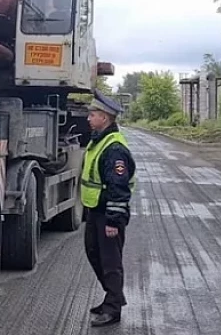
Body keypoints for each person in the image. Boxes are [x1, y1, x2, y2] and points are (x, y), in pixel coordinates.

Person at [81, 89, 137, 327]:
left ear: (104, 117)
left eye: (92, 114)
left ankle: (113, 308)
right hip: (96, 210)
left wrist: (114, 221)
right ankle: (113, 297)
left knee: (110, 261)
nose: (88, 118)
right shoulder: (100, 140)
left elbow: (118, 187)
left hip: (108, 214)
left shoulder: (114, 149)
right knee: (94, 253)